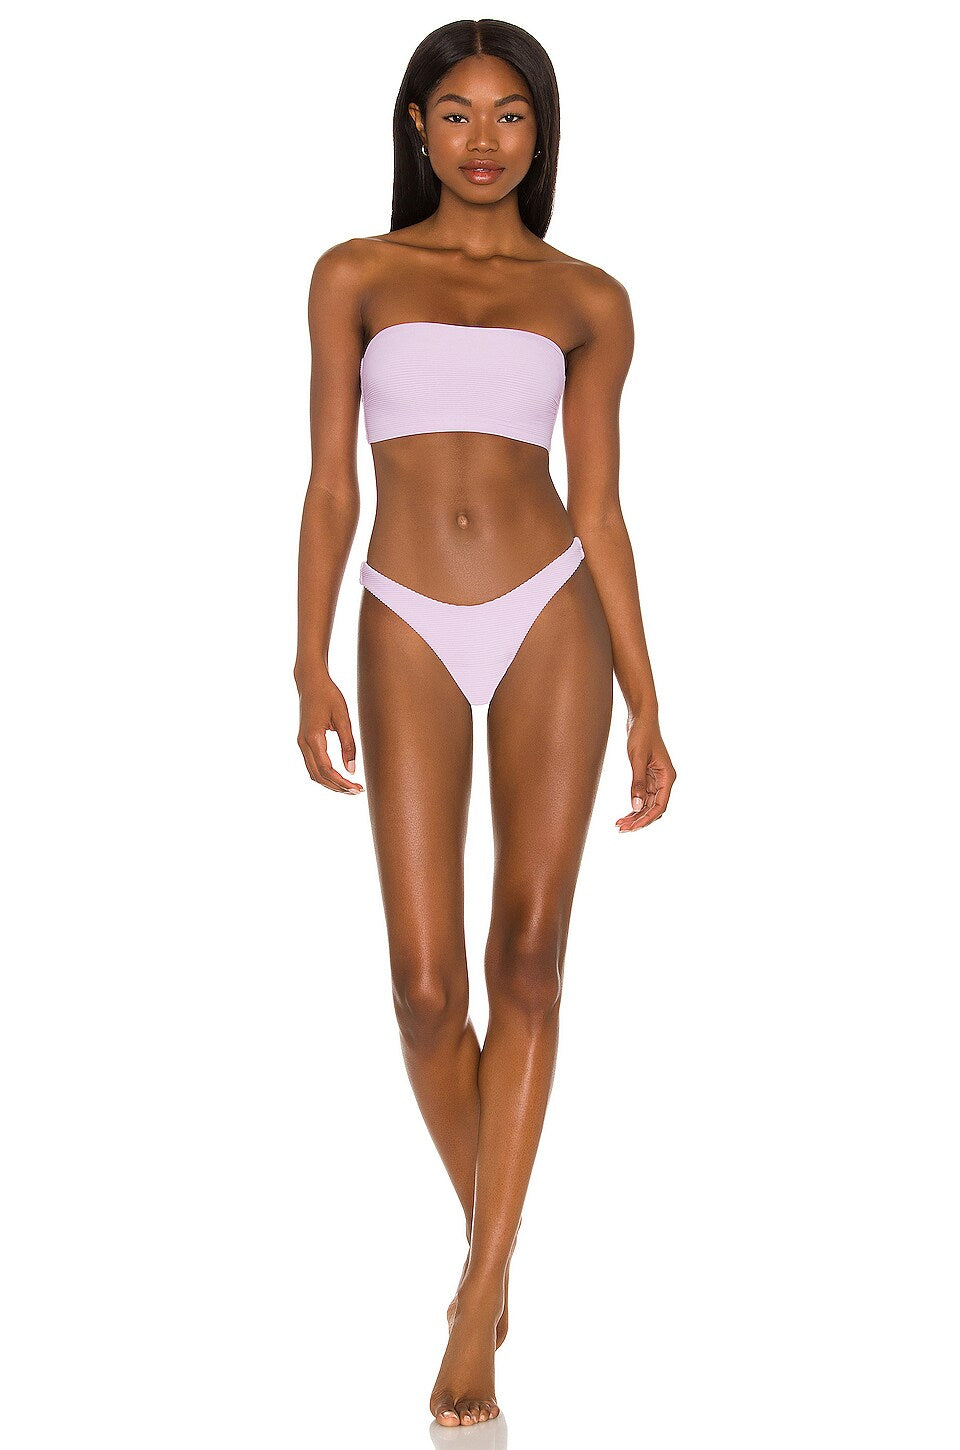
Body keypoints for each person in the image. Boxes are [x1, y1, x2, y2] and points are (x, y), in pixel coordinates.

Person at [293, 17, 676, 1429]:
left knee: (528, 958)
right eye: (455, 112)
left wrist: (649, 699)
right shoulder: (354, 273)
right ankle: (493, 1239)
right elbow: (331, 485)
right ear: (416, 125)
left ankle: (476, 1306)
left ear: (541, 131)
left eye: (510, 114)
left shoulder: (588, 298)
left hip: (550, 611)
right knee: (421, 986)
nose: (482, 140)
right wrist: (306, 658)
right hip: (401, 611)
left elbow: (605, 506)